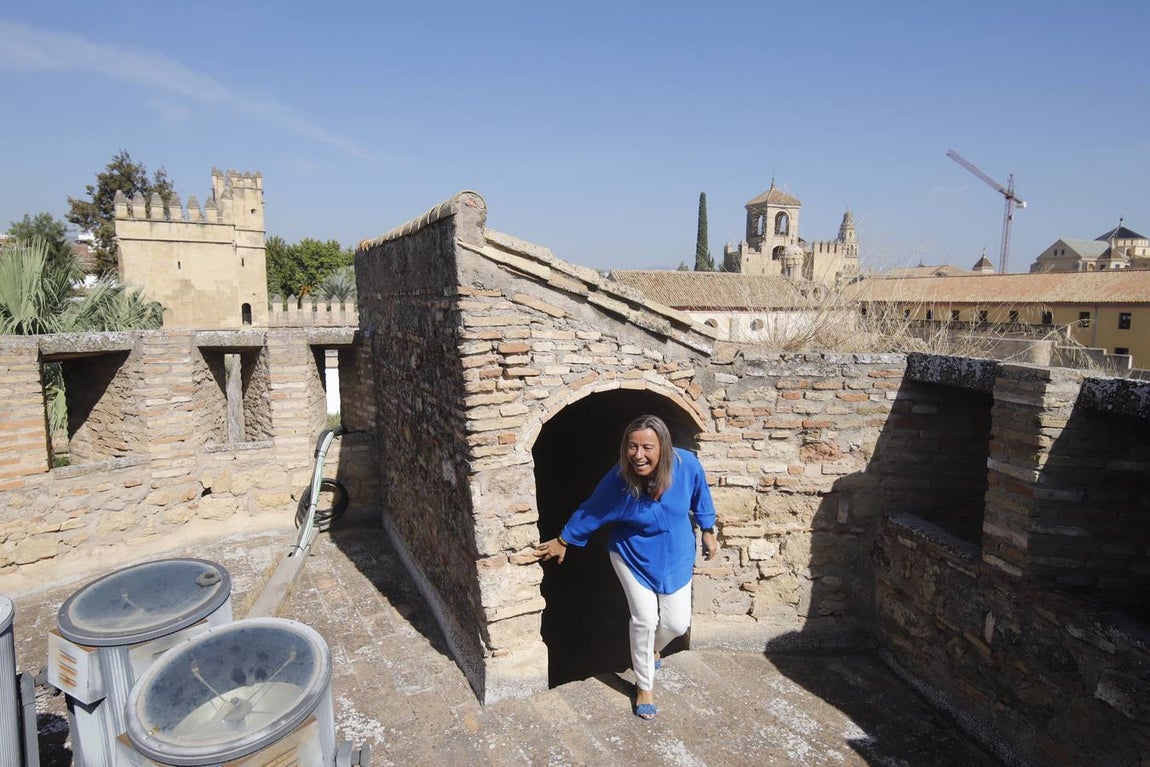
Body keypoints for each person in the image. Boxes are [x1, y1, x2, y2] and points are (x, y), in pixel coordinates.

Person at [534, 414, 718, 720]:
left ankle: (649, 651)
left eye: (647, 447)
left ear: (664, 448)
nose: (638, 455)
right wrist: (564, 540)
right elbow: (593, 510)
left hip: (677, 555)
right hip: (632, 555)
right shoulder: (619, 479)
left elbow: (701, 494)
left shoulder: (686, 465)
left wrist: (708, 530)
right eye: (632, 446)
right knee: (644, 619)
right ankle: (644, 684)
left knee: (676, 624)